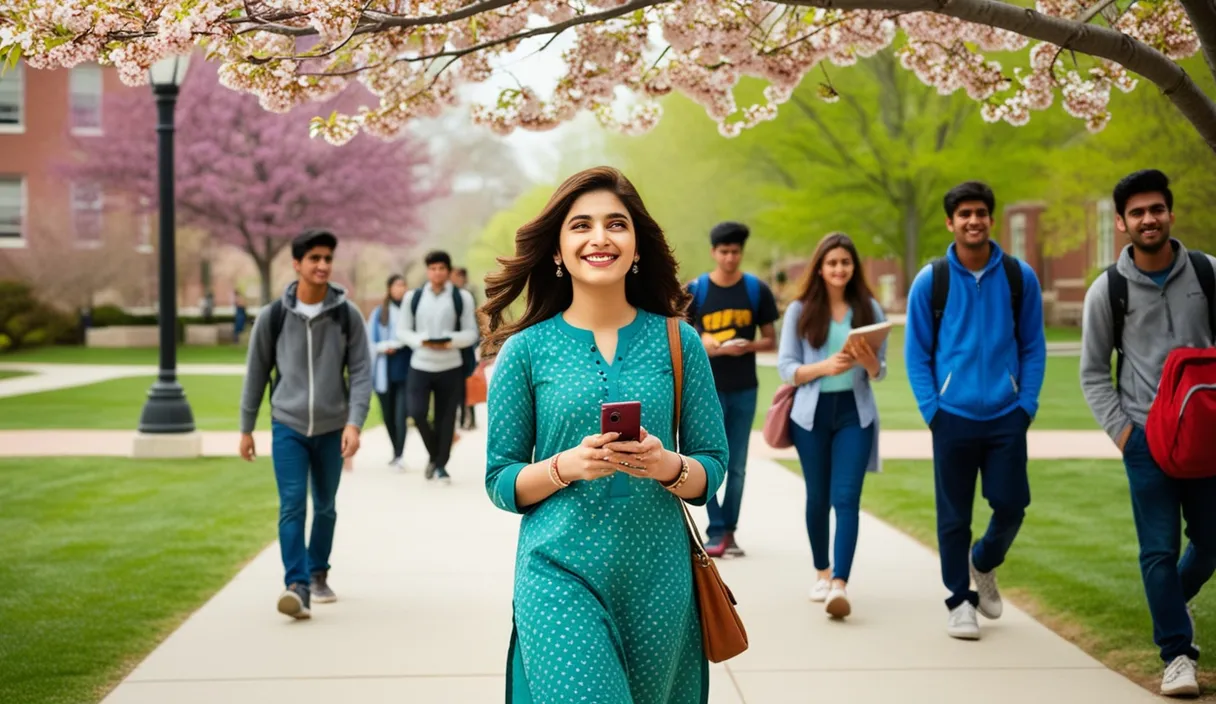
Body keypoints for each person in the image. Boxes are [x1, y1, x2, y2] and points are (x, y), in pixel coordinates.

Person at [482, 166, 729, 702]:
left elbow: (712, 466)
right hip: (557, 571)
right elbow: (500, 480)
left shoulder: (678, 342)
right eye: (581, 226)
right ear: (557, 250)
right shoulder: (525, 352)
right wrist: (564, 466)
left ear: (636, 246)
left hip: (658, 578)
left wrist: (666, 465)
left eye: (616, 224)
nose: (600, 238)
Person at [1080, 169, 1216, 698]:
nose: (1148, 219)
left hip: (1207, 438)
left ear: (1170, 214)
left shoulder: (1206, 272)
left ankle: (1170, 604)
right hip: (1146, 441)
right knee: (1157, 550)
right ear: (1121, 223)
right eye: (1136, 212)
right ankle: (1176, 656)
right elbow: (1093, 371)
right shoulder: (1107, 291)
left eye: (1156, 209)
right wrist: (1124, 434)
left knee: (1209, 544)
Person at [904, 181, 1047, 640]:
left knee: (1012, 505)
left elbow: (1033, 346)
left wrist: (1025, 405)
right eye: (964, 213)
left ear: (991, 218)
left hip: (1007, 414)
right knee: (953, 516)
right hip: (953, 416)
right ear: (951, 222)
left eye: (981, 212)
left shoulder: (1018, 276)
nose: (973, 220)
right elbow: (917, 353)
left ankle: (983, 562)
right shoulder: (932, 280)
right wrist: (933, 409)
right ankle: (959, 601)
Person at [237, 229, 373, 620]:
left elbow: (362, 372)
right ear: (296, 264)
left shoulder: (347, 315)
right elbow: (256, 374)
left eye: (327, 258)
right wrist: (246, 429)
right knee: (293, 505)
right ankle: (296, 584)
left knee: (326, 506)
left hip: (332, 426)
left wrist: (354, 423)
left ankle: (318, 572)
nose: (322, 265)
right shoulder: (273, 316)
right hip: (288, 425)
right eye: (314, 258)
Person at [777, 232, 887, 619]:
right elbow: (787, 368)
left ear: (853, 267)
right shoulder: (800, 310)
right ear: (820, 268)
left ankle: (840, 584)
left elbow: (881, 370)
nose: (839, 269)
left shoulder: (869, 308)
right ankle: (821, 572)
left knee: (847, 499)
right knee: (818, 498)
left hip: (855, 415)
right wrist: (827, 366)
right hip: (812, 415)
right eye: (832, 263)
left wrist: (868, 362)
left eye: (846, 262)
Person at [685, 221, 779, 558]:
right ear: (714, 252)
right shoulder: (696, 291)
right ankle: (716, 529)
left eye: (735, 252)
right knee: (707, 458)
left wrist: (747, 347)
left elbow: (772, 340)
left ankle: (730, 532)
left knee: (737, 464)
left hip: (744, 388)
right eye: (724, 252)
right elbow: (680, 336)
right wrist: (708, 347)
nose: (730, 258)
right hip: (706, 390)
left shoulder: (756, 290)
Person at [395, 250, 477, 483]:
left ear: (449, 272)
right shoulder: (414, 297)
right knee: (417, 413)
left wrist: (450, 341)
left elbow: (471, 333)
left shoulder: (462, 298)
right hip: (420, 364)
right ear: (427, 270)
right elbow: (402, 330)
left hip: (450, 366)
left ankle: (441, 466)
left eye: (441, 268)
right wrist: (421, 341)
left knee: (446, 418)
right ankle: (435, 456)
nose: (437, 273)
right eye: (433, 268)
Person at [367, 274, 410, 469]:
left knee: (401, 415)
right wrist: (385, 346)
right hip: (384, 371)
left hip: (406, 371)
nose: (400, 289)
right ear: (389, 288)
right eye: (396, 285)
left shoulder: (412, 310)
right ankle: (395, 451)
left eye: (403, 285)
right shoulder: (379, 313)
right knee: (388, 416)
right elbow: (370, 342)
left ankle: (400, 454)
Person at [451, 266, 480, 431]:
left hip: (470, 345)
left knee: (469, 383)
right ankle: (462, 418)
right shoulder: (452, 294)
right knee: (460, 385)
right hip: (457, 347)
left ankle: (469, 418)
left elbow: (475, 320)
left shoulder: (468, 293)